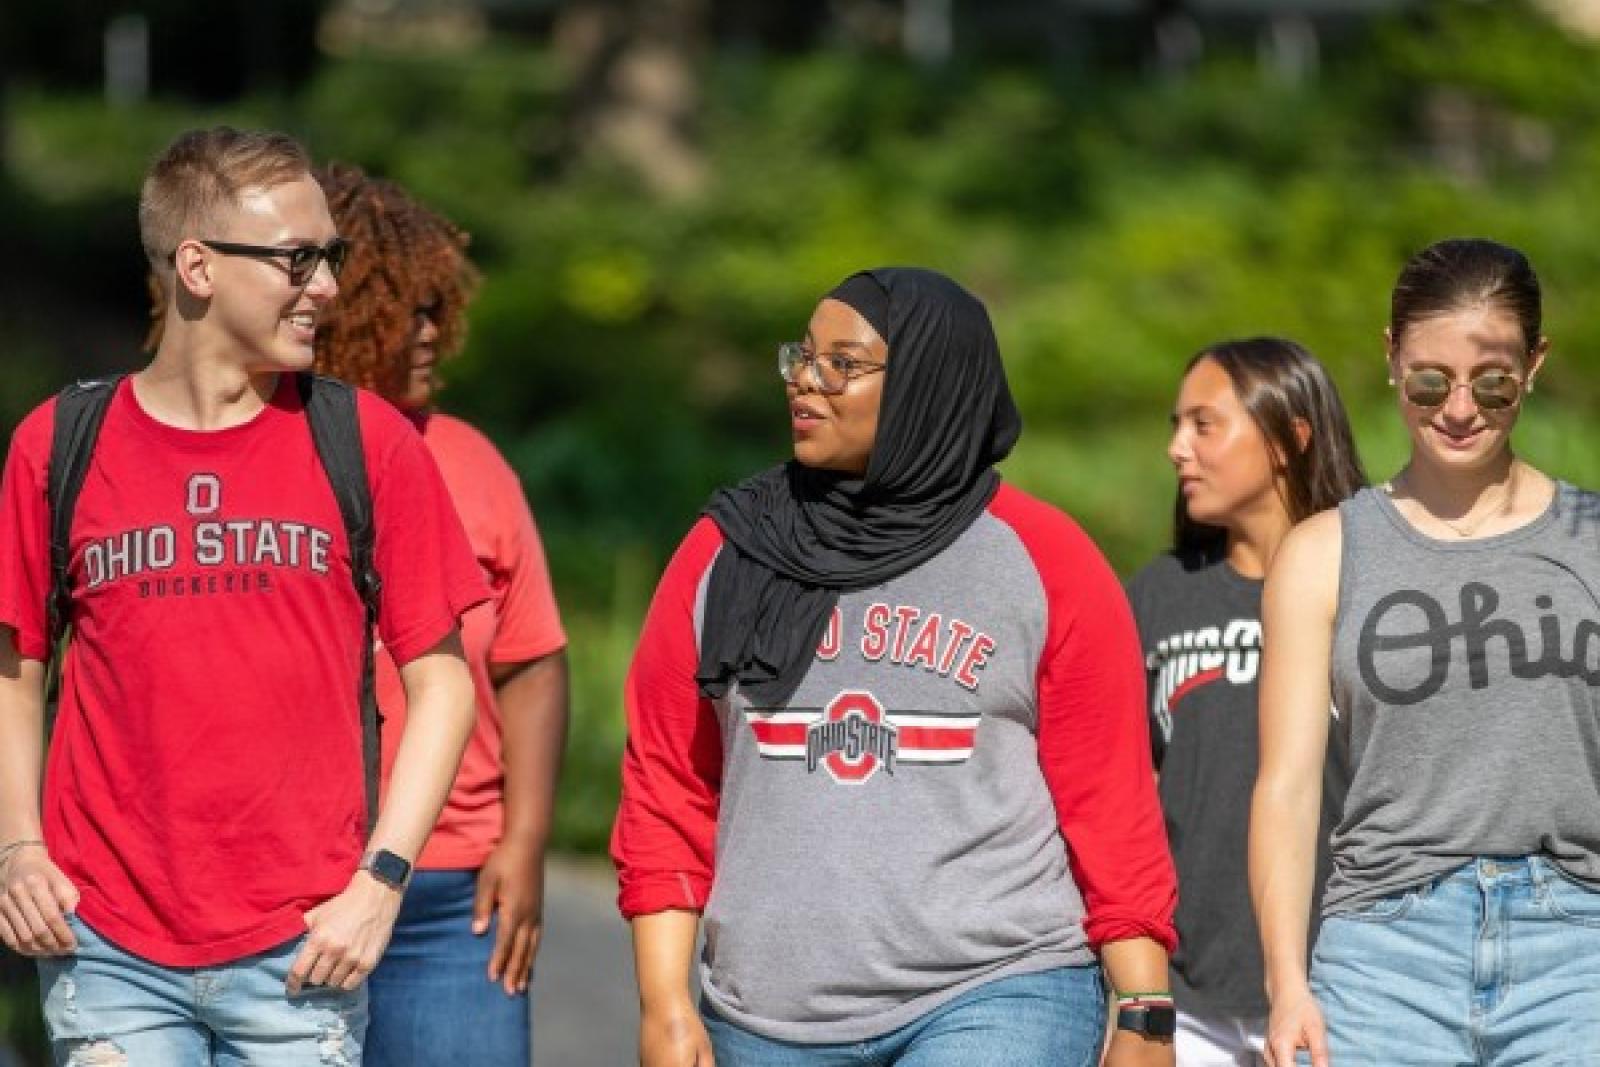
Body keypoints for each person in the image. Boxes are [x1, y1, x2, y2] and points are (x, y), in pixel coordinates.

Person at [0, 126, 485, 1065]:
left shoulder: (368, 442)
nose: (329, 289)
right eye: (299, 260)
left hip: (305, 953)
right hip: (106, 951)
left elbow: (446, 683)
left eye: (331, 258)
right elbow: (16, 672)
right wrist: (19, 849)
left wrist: (380, 882)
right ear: (198, 266)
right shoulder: (57, 444)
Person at [611, 267, 1179, 1067]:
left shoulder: (1042, 559)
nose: (806, 380)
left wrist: (1144, 1011)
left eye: (842, 363)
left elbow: (1108, 797)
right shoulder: (727, 550)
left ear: (925, 384)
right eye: (802, 357)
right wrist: (665, 1002)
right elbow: (667, 784)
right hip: (769, 1012)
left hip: (997, 986)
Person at [1251, 237, 1600, 1066]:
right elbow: (1289, 788)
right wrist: (1285, 983)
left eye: (1493, 382)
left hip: (1580, 946)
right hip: (1382, 956)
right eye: (1429, 380)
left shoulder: (1591, 538)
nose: (1458, 408)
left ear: (1536, 364)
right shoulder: (1322, 552)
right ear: (1391, 357)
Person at [311, 163, 570, 1065]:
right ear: (338, 310)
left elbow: (533, 660)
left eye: (436, 308)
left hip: (453, 896)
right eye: (403, 310)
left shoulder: (471, 460)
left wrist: (526, 839)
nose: (429, 334)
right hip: (300, 885)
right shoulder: (275, 453)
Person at [1125, 339, 1364, 1066]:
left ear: (1290, 437)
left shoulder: (1369, 581)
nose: (1176, 448)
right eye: (1176, 423)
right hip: (1189, 997)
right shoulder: (1158, 593)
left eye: (1204, 424)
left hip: (1341, 986)